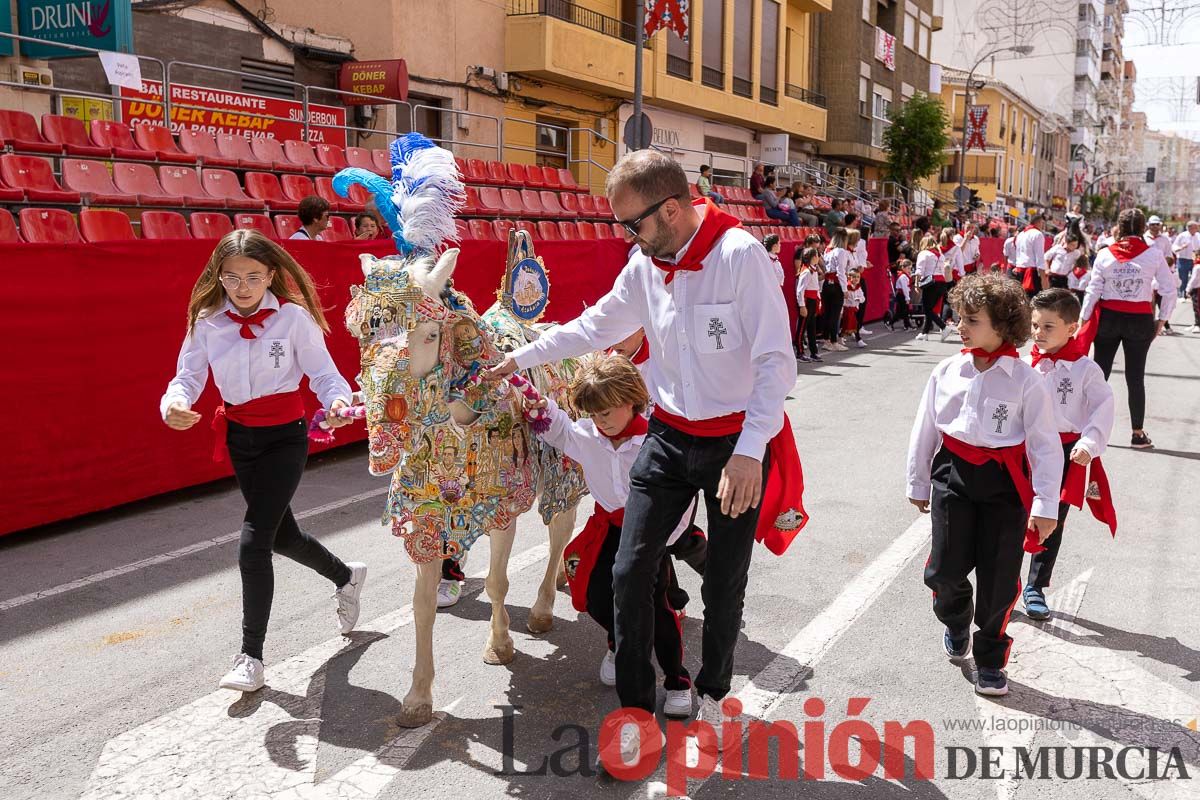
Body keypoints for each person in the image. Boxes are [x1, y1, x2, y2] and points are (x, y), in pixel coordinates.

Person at [486, 149, 800, 764]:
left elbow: (774, 361)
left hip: (734, 442)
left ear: (674, 209)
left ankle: (711, 691)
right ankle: (634, 716)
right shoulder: (644, 264)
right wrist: (520, 358)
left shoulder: (740, 258)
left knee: (725, 580)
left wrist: (750, 452)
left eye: (633, 224)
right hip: (669, 434)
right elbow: (597, 325)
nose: (627, 236)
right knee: (629, 574)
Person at [160, 230, 366, 693]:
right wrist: (173, 404)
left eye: (254, 276)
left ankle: (250, 656)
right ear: (219, 277)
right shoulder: (206, 320)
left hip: (284, 437)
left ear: (271, 274)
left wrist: (336, 403)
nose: (243, 287)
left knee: (254, 541)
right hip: (239, 437)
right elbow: (187, 377)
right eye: (232, 278)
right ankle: (346, 576)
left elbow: (325, 374)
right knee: (282, 535)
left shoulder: (293, 319)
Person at [907, 273, 1062, 697]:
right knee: (943, 571)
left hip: (1004, 485)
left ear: (1002, 325)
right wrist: (918, 480)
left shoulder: (1026, 380)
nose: (960, 326)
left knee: (998, 580)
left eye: (971, 319)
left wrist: (1046, 505)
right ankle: (956, 620)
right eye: (959, 317)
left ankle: (991, 659)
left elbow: (1046, 446)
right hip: (952, 474)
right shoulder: (947, 370)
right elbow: (926, 429)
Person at [526, 355, 704, 718]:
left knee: (654, 607)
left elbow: (685, 493)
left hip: (650, 535)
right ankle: (619, 640)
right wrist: (531, 398)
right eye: (592, 413)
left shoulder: (658, 438)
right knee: (593, 594)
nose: (600, 420)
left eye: (606, 411)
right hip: (607, 529)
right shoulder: (588, 435)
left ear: (630, 400)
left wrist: (666, 537)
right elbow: (556, 426)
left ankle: (677, 680)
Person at [1022, 289, 1115, 620]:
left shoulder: (1086, 369)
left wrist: (1089, 444)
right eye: (1035, 325)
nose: (1038, 333)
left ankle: (1035, 585)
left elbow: (1103, 408)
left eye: (1049, 326)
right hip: (1023, 448)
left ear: (1072, 328)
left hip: (1064, 451)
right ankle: (1005, 582)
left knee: (1052, 519)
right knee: (1011, 512)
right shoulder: (1023, 362)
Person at [1079, 208, 1176, 450]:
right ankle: (1137, 433)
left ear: (1119, 228)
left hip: (1109, 318)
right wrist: (1162, 321)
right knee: (1135, 377)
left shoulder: (1104, 254)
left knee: (1099, 373)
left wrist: (1083, 319)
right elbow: (1169, 289)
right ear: (1143, 228)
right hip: (1139, 320)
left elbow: (1093, 290)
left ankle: (1087, 427)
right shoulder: (1153, 255)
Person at [822, 227, 852, 351]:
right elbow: (841, 272)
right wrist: (844, 289)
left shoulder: (828, 250)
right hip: (836, 285)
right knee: (835, 314)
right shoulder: (841, 251)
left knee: (828, 313)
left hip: (826, 284)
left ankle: (826, 340)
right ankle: (833, 341)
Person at [914, 234, 950, 341]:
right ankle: (924, 333)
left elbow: (919, 270)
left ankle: (943, 327)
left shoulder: (924, 253)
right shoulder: (940, 255)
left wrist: (916, 284)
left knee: (927, 308)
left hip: (931, 283)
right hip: (942, 283)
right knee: (930, 309)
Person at [795, 246, 823, 362]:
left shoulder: (814, 269)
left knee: (812, 327)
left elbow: (815, 287)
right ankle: (799, 352)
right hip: (807, 301)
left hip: (813, 300)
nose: (818, 257)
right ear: (812, 258)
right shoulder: (806, 271)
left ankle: (813, 352)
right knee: (802, 328)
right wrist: (802, 306)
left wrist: (818, 300)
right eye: (816, 255)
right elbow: (800, 290)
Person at [1013, 213, 1049, 296]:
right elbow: (1039, 257)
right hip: (1031, 273)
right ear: (1039, 222)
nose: (1043, 226)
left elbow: (1018, 252)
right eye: (1043, 223)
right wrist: (1043, 278)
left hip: (1019, 270)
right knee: (1034, 300)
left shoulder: (1021, 234)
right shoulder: (1037, 234)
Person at [1171, 220, 1198, 299]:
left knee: (1195, 277)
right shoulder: (1182, 236)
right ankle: (1182, 295)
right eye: (1195, 227)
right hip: (1183, 260)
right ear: (1190, 228)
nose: (1197, 229)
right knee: (1183, 278)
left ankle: (1192, 294)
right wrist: (1181, 248)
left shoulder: (1198, 236)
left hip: (1194, 260)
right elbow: (1174, 246)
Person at [842, 269, 866, 348]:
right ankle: (840, 337)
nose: (856, 279)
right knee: (845, 326)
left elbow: (863, 298)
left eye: (858, 277)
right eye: (854, 277)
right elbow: (844, 299)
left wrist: (859, 299)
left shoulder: (858, 288)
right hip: (847, 310)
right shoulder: (846, 288)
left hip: (855, 309)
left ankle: (858, 339)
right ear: (849, 277)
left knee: (856, 324)